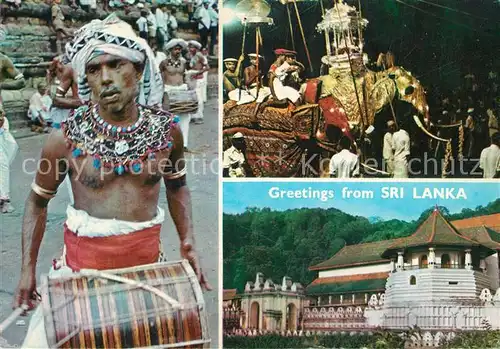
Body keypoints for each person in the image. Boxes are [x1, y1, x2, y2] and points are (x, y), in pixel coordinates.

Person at [13, 15, 210, 347]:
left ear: (138, 68)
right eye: (93, 70)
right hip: (80, 278)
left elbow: (177, 185)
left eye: (116, 65)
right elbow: (36, 202)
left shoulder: (167, 132)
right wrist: (26, 269)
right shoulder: (63, 139)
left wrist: (187, 240)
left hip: (149, 278)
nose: (105, 78)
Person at [160, 38, 197, 151]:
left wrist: (190, 88)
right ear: (170, 50)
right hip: (169, 90)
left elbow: (185, 76)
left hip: (182, 89)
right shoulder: (164, 63)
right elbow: (160, 78)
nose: (178, 51)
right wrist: (161, 93)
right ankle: (168, 144)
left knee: (185, 118)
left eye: (179, 49)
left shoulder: (183, 62)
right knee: (169, 118)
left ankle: (184, 145)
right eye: (176, 49)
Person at [185, 40, 209, 124]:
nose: (190, 49)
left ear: (196, 48)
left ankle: (199, 116)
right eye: (189, 47)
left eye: (192, 47)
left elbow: (207, 67)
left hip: (198, 79)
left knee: (198, 97)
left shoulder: (199, 55)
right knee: (193, 97)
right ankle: (193, 115)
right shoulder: (192, 56)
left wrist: (198, 73)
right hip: (193, 78)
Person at [0, 103, 18, 213]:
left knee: (3, 168)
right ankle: (4, 199)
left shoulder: (4, 121)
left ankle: (4, 199)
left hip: (2, 147)